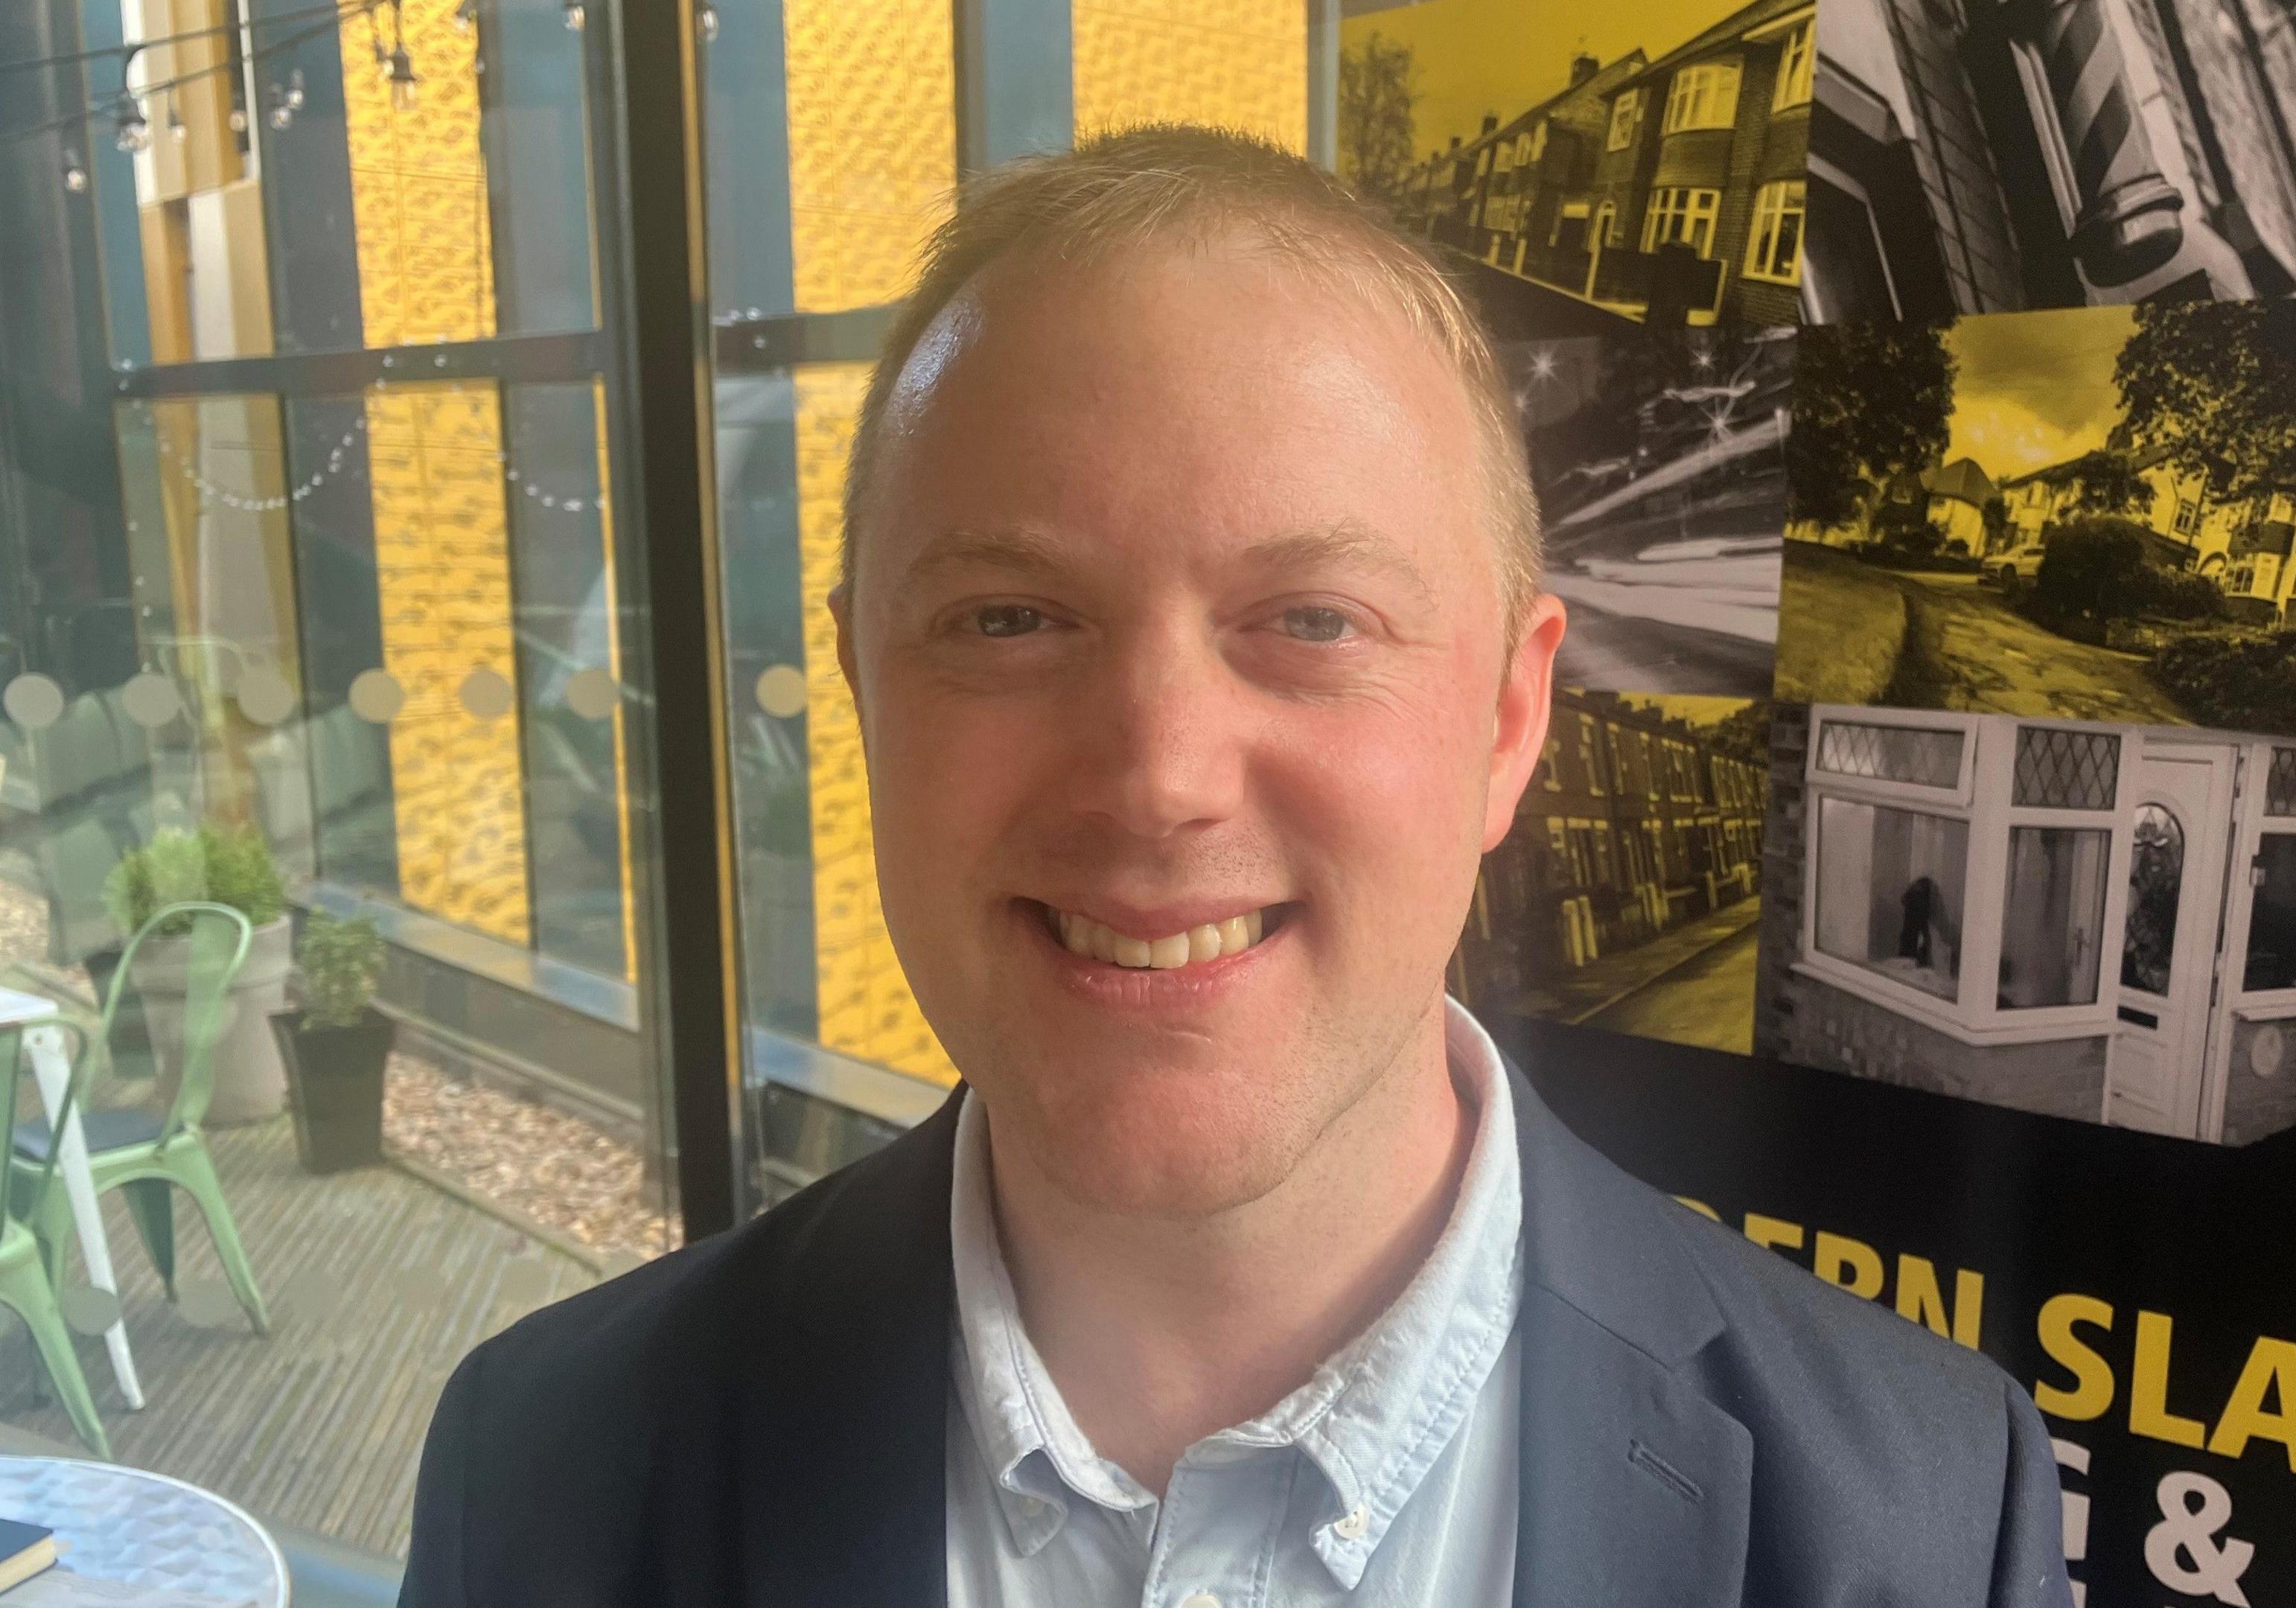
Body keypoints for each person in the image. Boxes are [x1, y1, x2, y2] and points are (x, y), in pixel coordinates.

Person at [396, 126, 2072, 1608]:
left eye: (1312, 622)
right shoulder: (544, 1478)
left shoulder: (1922, 1522)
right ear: (863, 689)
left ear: (1506, 719)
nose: (1160, 779)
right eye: (1008, 619)